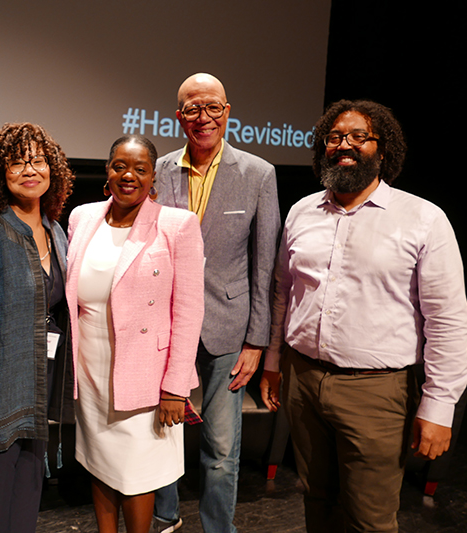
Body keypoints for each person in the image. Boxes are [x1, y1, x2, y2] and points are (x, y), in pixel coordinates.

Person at [260, 99, 467, 532]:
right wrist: (273, 364)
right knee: (316, 498)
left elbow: (447, 321)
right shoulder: (302, 212)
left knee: (369, 520)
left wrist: (439, 405)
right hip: (302, 381)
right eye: (334, 137)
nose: (344, 145)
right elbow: (283, 293)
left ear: (383, 148)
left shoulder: (424, 219)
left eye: (359, 136)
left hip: (376, 393)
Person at [152, 73, 280, 533]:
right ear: (178, 116)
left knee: (222, 450)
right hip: (166, 328)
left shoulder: (259, 174)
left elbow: (264, 267)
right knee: (161, 435)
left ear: (227, 112)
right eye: (192, 109)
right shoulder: (158, 170)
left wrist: (256, 341)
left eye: (212, 107)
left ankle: (217, 529)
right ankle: (165, 516)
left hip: (228, 329)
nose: (202, 118)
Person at [65, 135, 204, 533]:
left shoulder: (177, 225)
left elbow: (189, 311)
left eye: (140, 168)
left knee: (137, 473)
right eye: (119, 166)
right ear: (107, 171)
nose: (129, 175)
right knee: (100, 463)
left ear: (152, 176)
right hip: (91, 371)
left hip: (145, 373)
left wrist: (176, 387)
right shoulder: (82, 218)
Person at [0, 122, 76, 533]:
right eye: (17, 162)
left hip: (34, 396)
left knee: (22, 516)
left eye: (38, 160)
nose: (30, 169)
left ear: (52, 170)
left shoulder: (58, 233)